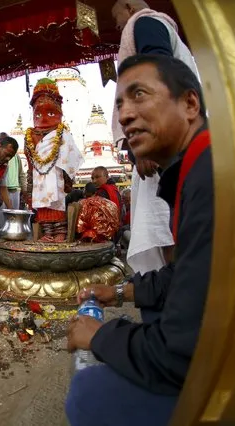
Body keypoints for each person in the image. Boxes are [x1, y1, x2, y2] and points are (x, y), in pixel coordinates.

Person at [66, 54, 213, 426]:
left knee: (88, 395)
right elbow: (184, 274)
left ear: (190, 103)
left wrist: (101, 336)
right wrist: (116, 293)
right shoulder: (195, 168)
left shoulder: (212, 177)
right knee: (150, 311)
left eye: (140, 95)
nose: (125, 116)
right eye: (119, 105)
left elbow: (180, 354)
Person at [110, 0, 200, 279]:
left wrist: (147, 145)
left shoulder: (145, 23)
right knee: (169, 228)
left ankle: (177, 300)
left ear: (128, 7)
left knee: (167, 232)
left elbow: (158, 77)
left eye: (119, 22)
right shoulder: (165, 34)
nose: (121, 28)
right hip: (179, 141)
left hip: (167, 147)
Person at [24, 78, 84, 242]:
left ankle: (60, 233)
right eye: (38, 114)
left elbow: (70, 156)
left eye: (51, 113)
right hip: (39, 178)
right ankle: (48, 233)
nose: (43, 119)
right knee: (42, 206)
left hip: (55, 176)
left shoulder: (62, 133)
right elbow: (30, 160)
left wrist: (67, 178)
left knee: (56, 203)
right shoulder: (30, 135)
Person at [0, 132, 27, 211]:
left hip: (15, 191)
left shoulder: (16, 156)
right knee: (1, 217)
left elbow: (21, 174)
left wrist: (24, 190)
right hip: (0, 191)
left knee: (14, 216)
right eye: (1, 140)